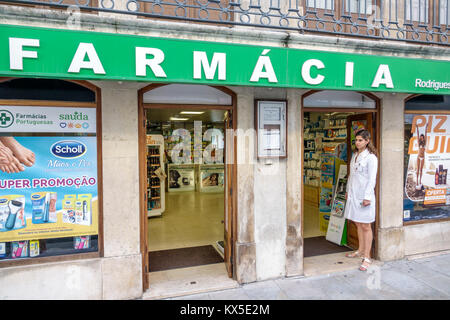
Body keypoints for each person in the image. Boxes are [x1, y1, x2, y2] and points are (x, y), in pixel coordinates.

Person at [344, 129, 378, 272]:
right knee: (358, 223)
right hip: (354, 194)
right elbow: (351, 175)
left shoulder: (371, 158)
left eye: (360, 140)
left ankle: (367, 257)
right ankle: (360, 250)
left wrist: (367, 197)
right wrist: (347, 191)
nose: (357, 143)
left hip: (364, 197)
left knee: (366, 226)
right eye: (356, 140)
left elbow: (372, 179)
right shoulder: (355, 155)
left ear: (367, 141)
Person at [416, 121, 429, 190]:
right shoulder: (419, 143)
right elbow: (417, 135)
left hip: (423, 157)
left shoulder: (424, 142)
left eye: (422, 137)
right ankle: (417, 182)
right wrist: (417, 128)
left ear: (423, 138)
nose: (421, 138)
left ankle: (420, 181)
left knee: (421, 170)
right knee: (418, 170)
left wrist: (426, 127)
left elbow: (426, 133)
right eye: (421, 137)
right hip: (418, 157)